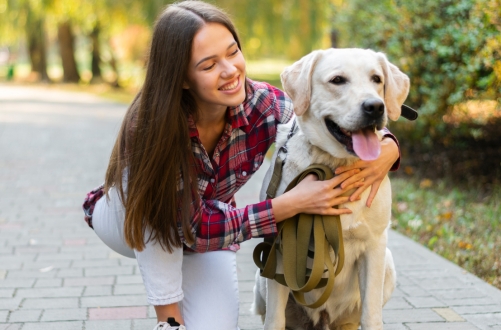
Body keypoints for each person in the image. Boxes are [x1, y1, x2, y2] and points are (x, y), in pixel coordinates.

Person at [82, 1, 401, 329]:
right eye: (208, 65)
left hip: (210, 227)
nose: (230, 70)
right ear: (182, 78)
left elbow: (314, 117)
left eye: (232, 52)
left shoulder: (259, 104)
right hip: (130, 220)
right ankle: (169, 323)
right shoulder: (151, 123)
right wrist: (287, 205)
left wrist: (388, 146)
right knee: (159, 213)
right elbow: (189, 225)